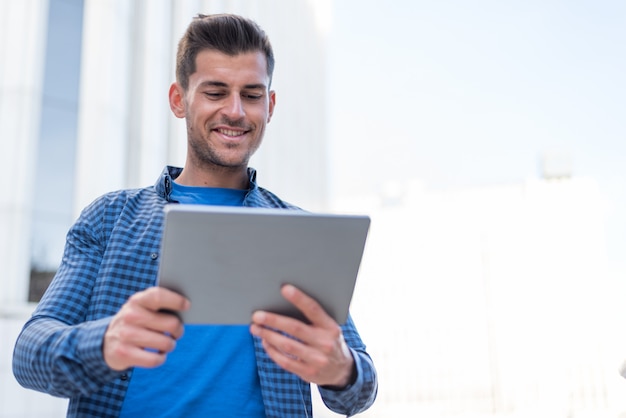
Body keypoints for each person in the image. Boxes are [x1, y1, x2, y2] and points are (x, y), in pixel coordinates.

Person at [12, 13, 377, 418]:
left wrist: (342, 369)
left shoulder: (301, 234)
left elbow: (359, 391)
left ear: (270, 106)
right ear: (178, 100)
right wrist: (104, 342)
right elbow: (29, 353)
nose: (236, 111)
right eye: (216, 92)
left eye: (252, 94)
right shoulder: (109, 219)